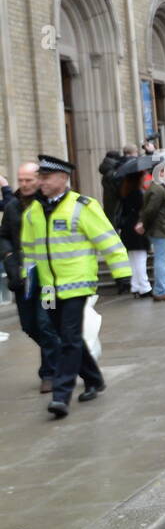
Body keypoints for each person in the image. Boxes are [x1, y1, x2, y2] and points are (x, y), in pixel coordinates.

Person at [20, 155, 132, 418]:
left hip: (77, 285)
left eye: (46, 178)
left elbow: (108, 240)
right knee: (63, 336)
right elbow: (29, 252)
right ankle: (93, 378)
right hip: (48, 288)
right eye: (40, 178)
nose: (41, 183)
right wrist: (28, 284)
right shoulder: (33, 212)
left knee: (68, 338)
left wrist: (122, 273)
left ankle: (61, 395)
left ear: (62, 179)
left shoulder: (83, 206)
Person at [1, 162, 61, 392]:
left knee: (46, 324)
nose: (24, 184)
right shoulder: (13, 207)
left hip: (46, 279)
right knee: (29, 325)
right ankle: (62, 351)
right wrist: (8, 257)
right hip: (22, 279)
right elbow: (4, 235)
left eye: (29, 180)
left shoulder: (47, 205)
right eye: (21, 180)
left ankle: (50, 373)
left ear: (40, 180)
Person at [139, 154, 165, 300]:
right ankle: (161, 290)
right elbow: (150, 210)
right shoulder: (157, 189)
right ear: (161, 171)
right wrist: (143, 224)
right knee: (163, 259)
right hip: (160, 229)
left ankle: (160, 287)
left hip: (164, 229)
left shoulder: (160, 187)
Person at [115, 168, 152, 297]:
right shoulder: (138, 193)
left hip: (128, 229)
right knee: (140, 259)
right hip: (137, 228)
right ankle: (144, 287)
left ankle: (136, 286)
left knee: (134, 260)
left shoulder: (125, 192)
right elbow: (144, 210)